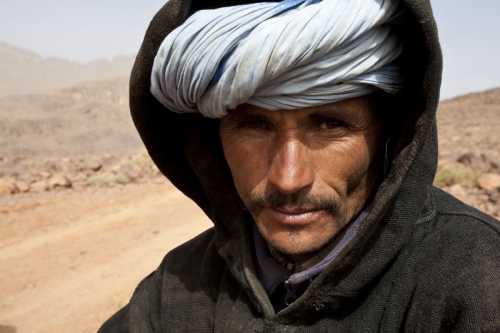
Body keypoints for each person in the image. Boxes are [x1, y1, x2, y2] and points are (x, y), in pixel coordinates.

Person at [99, 0, 500, 331]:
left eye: (331, 124)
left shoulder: (477, 281)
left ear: (389, 131)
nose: (289, 178)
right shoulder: (174, 291)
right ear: (212, 138)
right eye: (254, 124)